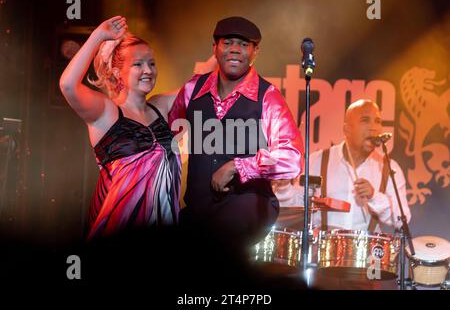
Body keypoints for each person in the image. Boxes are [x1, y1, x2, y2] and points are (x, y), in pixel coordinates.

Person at [168, 16, 303, 249]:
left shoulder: (268, 97)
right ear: (215, 48)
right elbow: (169, 136)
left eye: (243, 44)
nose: (234, 50)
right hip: (198, 212)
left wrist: (237, 166)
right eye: (227, 42)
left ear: (255, 51)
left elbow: (292, 159)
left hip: (246, 210)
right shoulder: (192, 89)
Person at [59, 16, 181, 240]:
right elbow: (68, 85)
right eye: (138, 64)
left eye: (152, 63)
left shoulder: (160, 108)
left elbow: (202, 87)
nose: (148, 70)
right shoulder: (106, 113)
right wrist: (98, 36)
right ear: (117, 73)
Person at [280, 99, 411, 289]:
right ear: (346, 129)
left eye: (378, 121)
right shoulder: (318, 160)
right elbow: (295, 204)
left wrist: (375, 197)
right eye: (365, 120)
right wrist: (283, 188)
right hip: (321, 261)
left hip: (369, 264)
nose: (374, 128)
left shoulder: (389, 169)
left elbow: (402, 220)